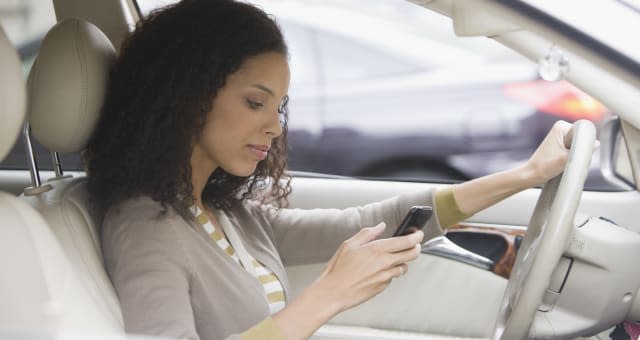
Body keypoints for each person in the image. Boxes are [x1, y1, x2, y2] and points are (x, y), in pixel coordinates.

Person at [84, 0, 576, 339]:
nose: (274, 127)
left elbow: (374, 220)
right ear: (185, 95)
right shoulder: (145, 229)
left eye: (278, 107)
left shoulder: (222, 211)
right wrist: (329, 294)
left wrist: (527, 174)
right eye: (256, 102)